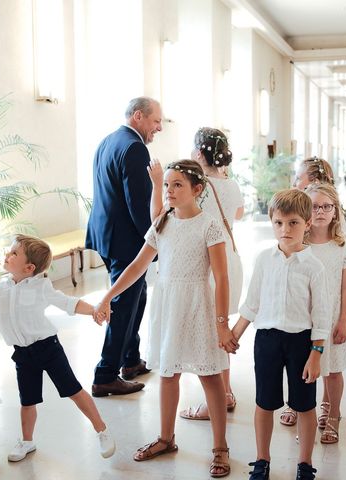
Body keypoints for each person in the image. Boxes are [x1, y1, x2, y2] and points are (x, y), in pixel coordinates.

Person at [94, 160, 236, 478]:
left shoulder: (209, 225)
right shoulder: (162, 222)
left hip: (199, 305)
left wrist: (222, 322)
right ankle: (166, 438)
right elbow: (136, 266)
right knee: (168, 374)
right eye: (167, 185)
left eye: (177, 185)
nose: (169, 191)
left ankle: (220, 447)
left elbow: (222, 277)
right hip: (169, 306)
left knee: (210, 376)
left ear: (197, 190)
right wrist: (107, 296)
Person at [0, 234, 116, 461]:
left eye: (14, 253)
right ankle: (27, 441)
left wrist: (94, 310)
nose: (7, 255)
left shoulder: (41, 287)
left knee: (73, 390)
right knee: (27, 400)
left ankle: (102, 430)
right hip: (22, 354)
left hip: (48, 349)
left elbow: (68, 303)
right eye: (10, 250)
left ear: (29, 267)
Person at [231, 189, 330, 480]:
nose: (285, 230)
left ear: (308, 223)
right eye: (278, 223)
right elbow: (252, 303)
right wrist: (234, 334)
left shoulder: (314, 267)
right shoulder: (264, 259)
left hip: (302, 343)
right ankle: (262, 460)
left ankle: (304, 464)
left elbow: (322, 314)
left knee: (304, 405)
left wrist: (317, 353)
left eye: (293, 223)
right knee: (264, 402)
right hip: (267, 341)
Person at [147, 127, 243, 421]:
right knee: (218, 331)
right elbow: (237, 214)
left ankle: (216, 395)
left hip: (201, 263)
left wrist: (156, 184)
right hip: (229, 257)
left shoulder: (193, 188)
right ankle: (225, 391)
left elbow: (159, 219)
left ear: (199, 153)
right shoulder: (231, 184)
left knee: (210, 331)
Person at [85, 96, 163, 396]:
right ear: (139, 116)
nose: (158, 128)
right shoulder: (134, 148)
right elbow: (138, 203)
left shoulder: (108, 141)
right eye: (156, 121)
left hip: (106, 234)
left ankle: (130, 360)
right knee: (124, 302)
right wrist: (154, 240)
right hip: (125, 240)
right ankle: (105, 374)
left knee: (137, 297)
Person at [304, 183, 346, 444]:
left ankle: (334, 415)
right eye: (315, 206)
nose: (321, 211)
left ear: (336, 212)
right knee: (303, 370)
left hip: (333, 317)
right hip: (305, 318)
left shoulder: (343, 248)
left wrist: (344, 321)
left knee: (333, 370)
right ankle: (306, 415)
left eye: (327, 206)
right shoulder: (300, 245)